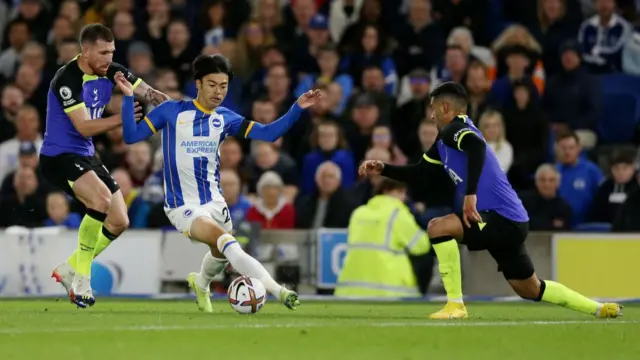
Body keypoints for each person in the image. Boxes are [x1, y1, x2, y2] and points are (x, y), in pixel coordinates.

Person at [359, 81, 623, 320]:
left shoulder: (457, 129)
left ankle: (455, 304)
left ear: (446, 107)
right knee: (530, 288)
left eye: (433, 108)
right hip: (511, 220)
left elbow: (476, 147)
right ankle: (598, 308)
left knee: (438, 227)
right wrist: (383, 168)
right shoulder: (444, 140)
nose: (430, 115)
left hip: (500, 217)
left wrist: (470, 194)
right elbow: (419, 172)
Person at [117, 54, 323, 313]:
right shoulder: (171, 111)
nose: (218, 92)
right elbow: (130, 135)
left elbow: (270, 133)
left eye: (223, 86)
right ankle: (278, 291)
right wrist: (127, 97)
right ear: (198, 84)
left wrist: (297, 107)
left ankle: (201, 284)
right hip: (183, 205)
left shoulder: (225, 118)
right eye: (212, 84)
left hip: (215, 201)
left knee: (220, 250)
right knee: (226, 241)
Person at [37, 24, 169, 308]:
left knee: (120, 220)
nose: (109, 57)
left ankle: (69, 268)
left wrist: (171, 107)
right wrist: (123, 118)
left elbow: (147, 91)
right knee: (99, 199)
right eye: (103, 52)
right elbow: (84, 127)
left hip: (86, 156)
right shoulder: (67, 79)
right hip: (59, 157)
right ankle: (82, 278)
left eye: (112, 51)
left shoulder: (111, 70)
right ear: (85, 50)